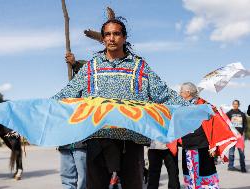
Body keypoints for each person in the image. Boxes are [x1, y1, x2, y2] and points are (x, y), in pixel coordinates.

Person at [52, 19, 188, 189]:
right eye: (107, 34)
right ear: (102, 39)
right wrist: (37, 112)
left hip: (131, 141)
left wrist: (192, 108)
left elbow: (164, 94)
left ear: (124, 37)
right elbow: (67, 94)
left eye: (116, 33)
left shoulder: (139, 67)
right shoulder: (91, 67)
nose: (111, 38)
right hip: (98, 138)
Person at [180, 82, 219, 188]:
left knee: (205, 175)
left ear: (188, 92)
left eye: (181, 91)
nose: (180, 93)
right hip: (188, 145)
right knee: (191, 175)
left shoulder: (202, 104)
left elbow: (214, 118)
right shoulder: (182, 106)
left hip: (200, 145)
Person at [58, 52, 87, 189]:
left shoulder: (89, 96)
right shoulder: (67, 95)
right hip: (66, 142)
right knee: (67, 178)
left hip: (82, 144)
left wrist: (75, 64)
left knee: (85, 179)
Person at [227, 100, 247, 173]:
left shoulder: (242, 114)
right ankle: (230, 166)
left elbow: (245, 124)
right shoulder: (229, 113)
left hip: (240, 136)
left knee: (241, 153)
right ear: (232, 105)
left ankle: (243, 167)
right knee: (231, 152)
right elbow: (225, 122)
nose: (235, 105)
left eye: (236, 104)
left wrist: (243, 133)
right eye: (234, 104)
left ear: (239, 105)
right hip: (232, 136)